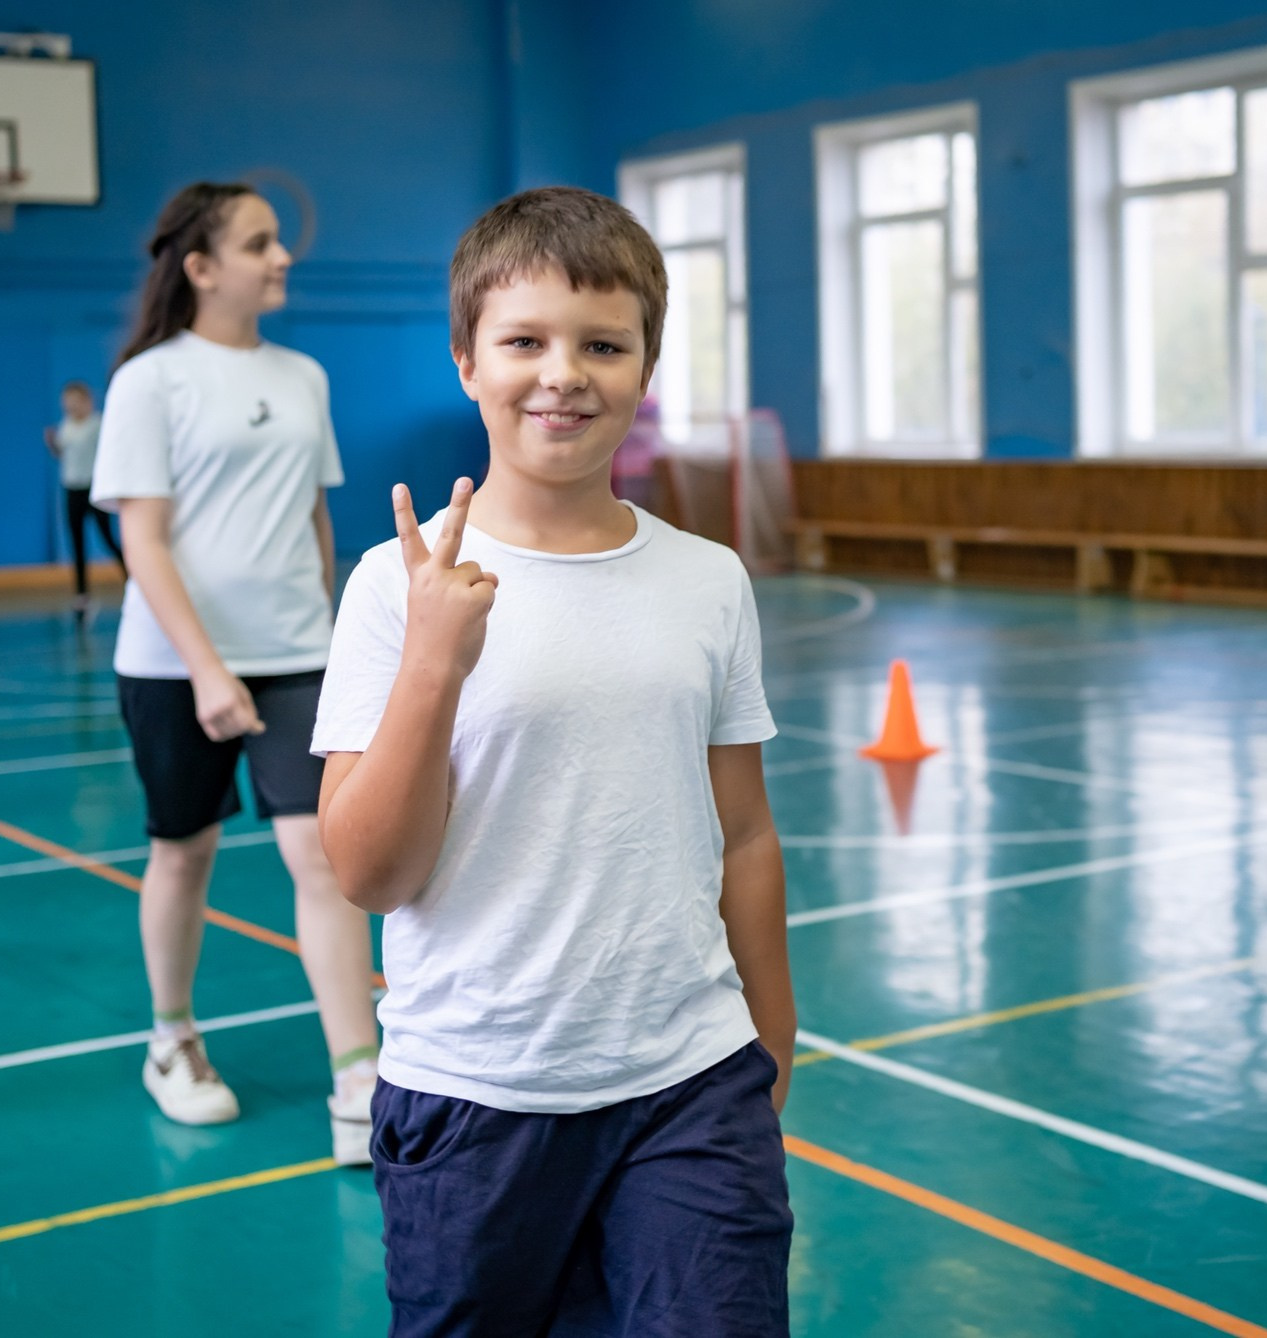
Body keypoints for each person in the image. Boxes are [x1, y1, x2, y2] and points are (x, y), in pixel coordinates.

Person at [312, 187, 796, 1335]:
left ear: (644, 363)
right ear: (466, 361)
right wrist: (433, 661)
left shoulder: (706, 579)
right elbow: (369, 875)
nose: (562, 373)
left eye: (601, 344)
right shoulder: (395, 587)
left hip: (691, 1083)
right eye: (524, 340)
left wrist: (769, 1042)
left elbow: (743, 833)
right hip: (474, 1097)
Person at [92, 182, 379, 1158]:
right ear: (201, 267)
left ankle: (357, 1076)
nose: (281, 256)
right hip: (176, 666)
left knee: (324, 857)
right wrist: (210, 671)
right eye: (260, 244)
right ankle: (170, 1039)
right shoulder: (149, 382)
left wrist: (334, 628)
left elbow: (313, 517)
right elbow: (144, 540)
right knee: (185, 851)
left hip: (299, 654)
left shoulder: (302, 375)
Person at [46, 380, 126, 620]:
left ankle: (134, 581)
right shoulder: (66, 425)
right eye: (66, 401)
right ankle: (82, 594)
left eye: (74, 400)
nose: (70, 405)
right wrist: (53, 445)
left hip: (94, 489)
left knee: (107, 540)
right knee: (77, 543)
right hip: (72, 490)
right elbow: (63, 454)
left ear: (86, 400)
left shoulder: (98, 424)